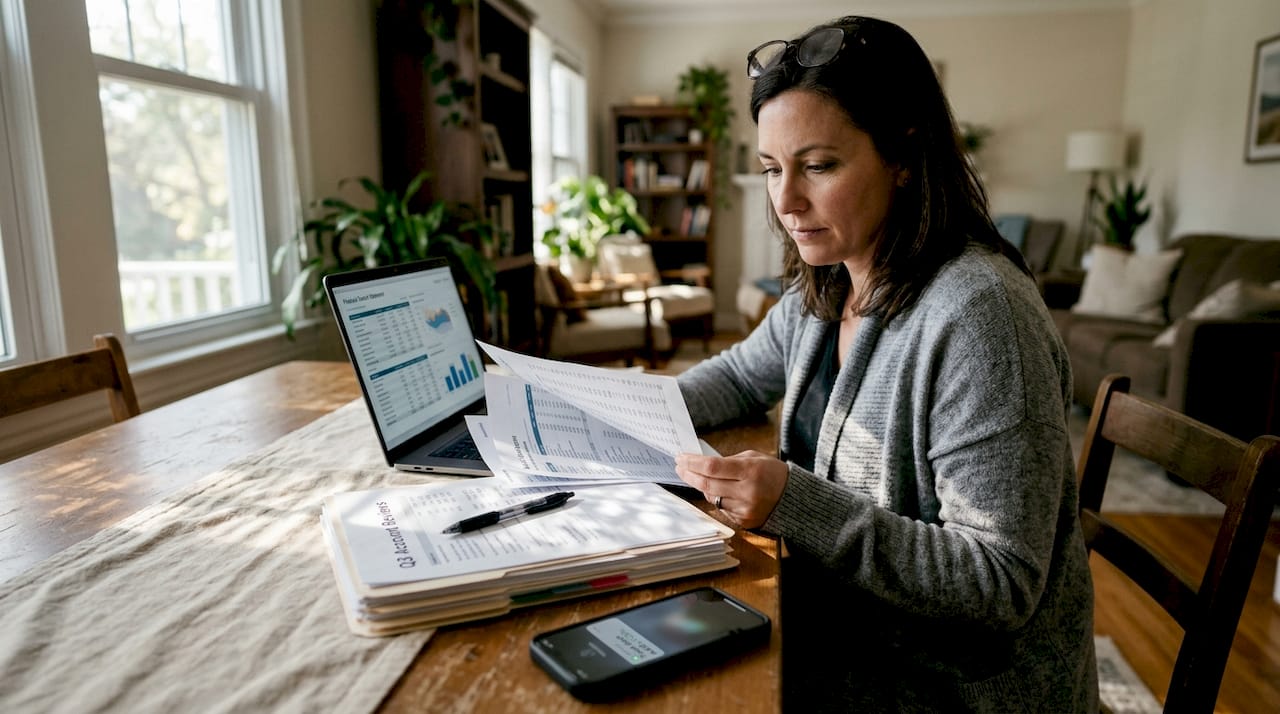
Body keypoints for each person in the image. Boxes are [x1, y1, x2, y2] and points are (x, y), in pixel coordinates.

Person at [673, 16, 1098, 712]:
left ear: (903, 155)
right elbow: (741, 376)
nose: (786, 202)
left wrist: (793, 503)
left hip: (946, 692)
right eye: (773, 170)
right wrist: (610, 410)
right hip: (847, 636)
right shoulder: (829, 278)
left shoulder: (981, 315)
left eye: (818, 166)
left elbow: (999, 581)